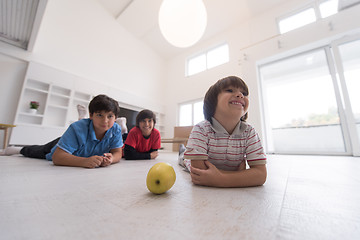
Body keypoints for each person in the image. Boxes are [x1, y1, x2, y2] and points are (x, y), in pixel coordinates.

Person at [178, 76, 267, 187]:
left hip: (215, 164)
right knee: (183, 158)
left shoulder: (249, 132)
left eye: (244, 93)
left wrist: (221, 179)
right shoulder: (201, 129)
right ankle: (182, 151)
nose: (240, 95)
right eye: (229, 90)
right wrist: (240, 175)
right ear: (213, 102)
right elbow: (199, 172)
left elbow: (261, 175)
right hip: (187, 160)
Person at [3, 94, 123, 168]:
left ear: (115, 118)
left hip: (81, 148)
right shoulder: (77, 128)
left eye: (110, 116)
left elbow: (118, 152)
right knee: (36, 151)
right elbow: (57, 157)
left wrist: (111, 159)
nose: (105, 121)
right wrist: (85, 162)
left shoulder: (116, 129)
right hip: (60, 146)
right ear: (91, 115)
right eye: (100, 115)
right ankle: (16, 149)